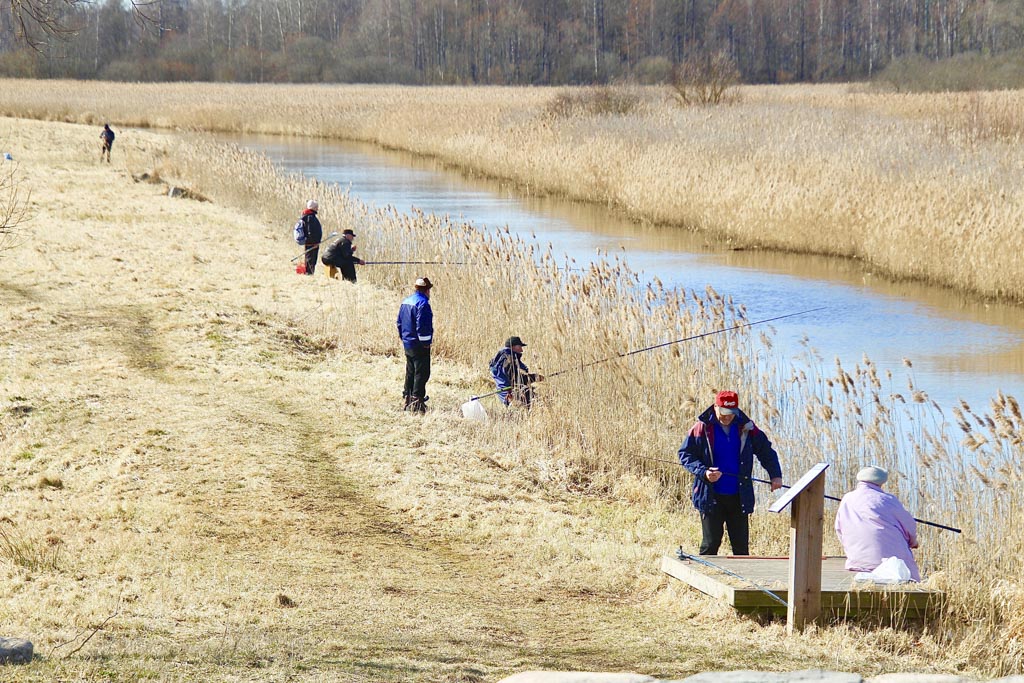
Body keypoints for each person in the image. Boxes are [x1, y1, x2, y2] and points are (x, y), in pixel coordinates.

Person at [677, 390, 783, 556]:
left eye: (731, 413)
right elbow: (685, 454)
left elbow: (766, 451)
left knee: (741, 548)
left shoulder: (747, 427)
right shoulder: (702, 427)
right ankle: (704, 572)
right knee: (710, 544)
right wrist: (704, 472)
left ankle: (741, 574)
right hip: (711, 496)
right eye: (724, 412)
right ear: (715, 407)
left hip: (739, 496)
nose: (727, 417)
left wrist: (775, 475)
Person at [835, 466, 920, 581]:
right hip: (889, 563)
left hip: (857, 561)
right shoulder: (888, 499)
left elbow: (839, 528)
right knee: (908, 571)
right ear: (881, 481)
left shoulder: (847, 498)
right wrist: (913, 542)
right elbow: (909, 525)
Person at [396, 277, 434, 413]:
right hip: (419, 344)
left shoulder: (406, 301)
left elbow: (399, 322)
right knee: (421, 373)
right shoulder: (423, 304)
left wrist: (403, 338)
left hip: (408, 343)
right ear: (426, 290)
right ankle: (417, 402)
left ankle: (407, 398)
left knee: (410, 372)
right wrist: (426, 343)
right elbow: (422, 326)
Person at [489, 336, 544, 407]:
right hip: (512, 394)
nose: (521, 350)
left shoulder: (500, 359)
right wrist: (535, 377)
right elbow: (516, 379)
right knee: (540, 402)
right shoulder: (509, 360)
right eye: (520, 347)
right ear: (513, 347)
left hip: (504, 395)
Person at [297, 199, 323, 276]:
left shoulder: (309, 216)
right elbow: (310, 232)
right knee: (310, 260)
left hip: (311, 243)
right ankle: (309, 274)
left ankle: (309, 273)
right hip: (312, 243)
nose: (317, 209)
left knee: (311, 260)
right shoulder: (310, 217)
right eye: (316, 207)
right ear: (313, 207)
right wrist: (314, 242)